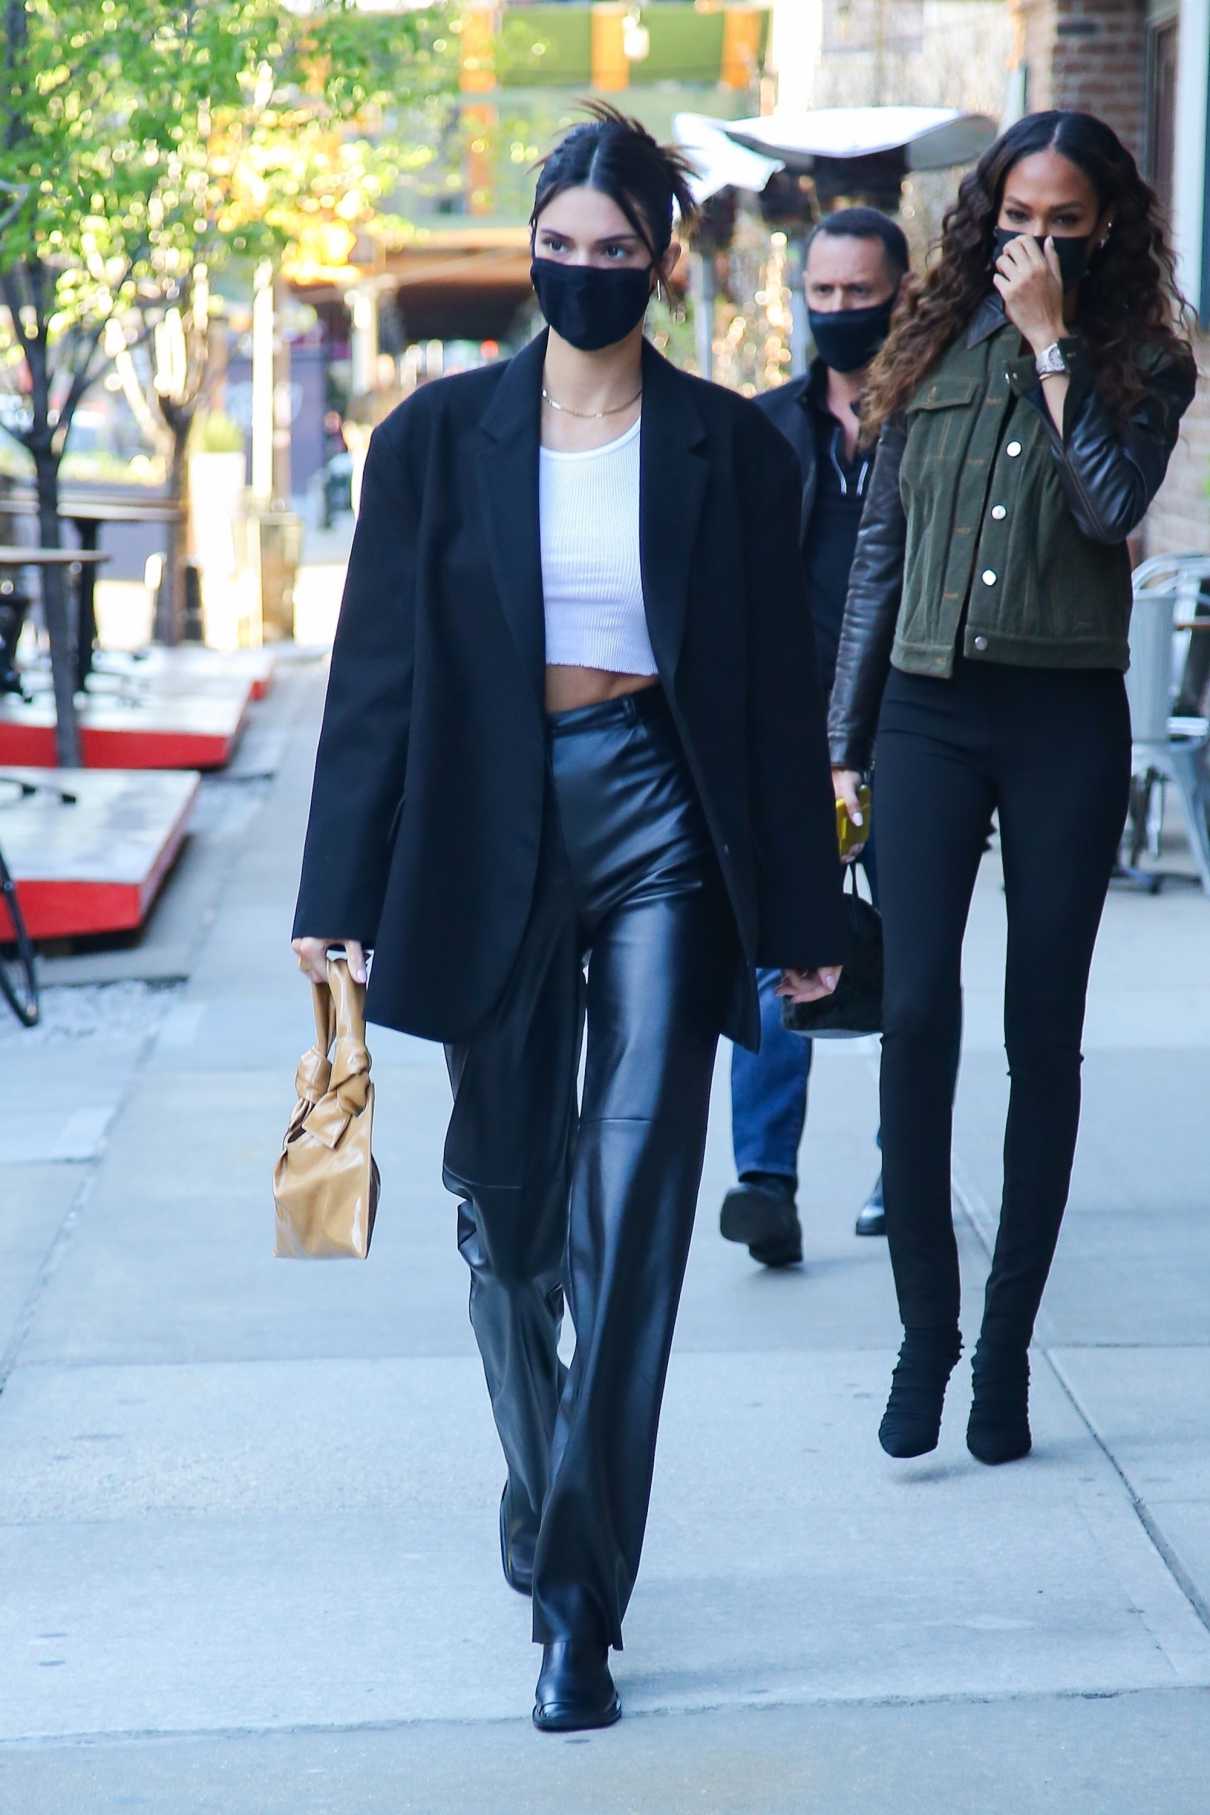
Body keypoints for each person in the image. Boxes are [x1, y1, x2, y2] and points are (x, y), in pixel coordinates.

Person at [290, 104, 847, 1733]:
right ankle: (543, 1489)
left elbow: (766, 699)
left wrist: (799, 907)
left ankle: (578, 1601)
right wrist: (340, 900)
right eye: (562, 250)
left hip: (662, 821)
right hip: (488, 828)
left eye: (616, 254)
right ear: (534, 248)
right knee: (510, 1215)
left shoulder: (727, 451)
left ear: (663, 267)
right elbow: (380, 682)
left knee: (636, 1207)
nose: (585, 275)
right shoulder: (435, 441)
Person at [829, 110, 1195, 1466]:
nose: (1030, 242)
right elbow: (877, 553)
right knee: (914, 1012)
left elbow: (1107, 510)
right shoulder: (922, 338)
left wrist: (1050, 347)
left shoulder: (1143, 356)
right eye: (1014, 218)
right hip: (923, 714)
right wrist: (838, 740)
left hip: (1059, 721)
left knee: (1041, 1037)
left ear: (1104, 229)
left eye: (1061, 222)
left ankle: (1002, 1351)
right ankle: (924, 1331)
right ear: (984, 213)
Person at [722, 207, 907, 1269]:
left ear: (900, 291)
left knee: (912, 959)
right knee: (772, 954)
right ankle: (765, 1181)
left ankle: (903, 1161)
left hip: (909, 729)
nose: (840, 312)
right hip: (789, 739)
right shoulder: (765, 429)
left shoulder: (934, 421)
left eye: (859, 293)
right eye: (823, 293)